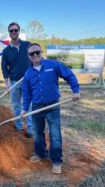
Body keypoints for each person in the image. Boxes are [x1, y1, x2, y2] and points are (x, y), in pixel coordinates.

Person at [21, 43, 80, 174]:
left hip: (52, 106)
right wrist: (25, 109)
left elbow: (69, 75)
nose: (35, 55)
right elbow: (26, 93)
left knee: (55, 135)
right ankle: (41, 153)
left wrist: (75, 90)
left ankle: (57, 161)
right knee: (37, 133)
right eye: (32, 54)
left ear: (41, 52)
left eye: (37, 52)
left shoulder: (53, 65)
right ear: (28, 56)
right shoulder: (28, 73)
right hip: (36, 108)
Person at [1, 22, 33, 137]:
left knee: (29, 105)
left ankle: (30, 130)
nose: (13, 32)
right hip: (14, 82)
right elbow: (4, 68)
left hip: (28, 81)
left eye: (16, 30)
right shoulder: (6, 51)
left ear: (19, 31)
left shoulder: (27, 45)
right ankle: (19, 127)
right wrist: (6, 83)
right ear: (9, 33)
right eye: (11, 31)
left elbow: (36, 59)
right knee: (16, 105)